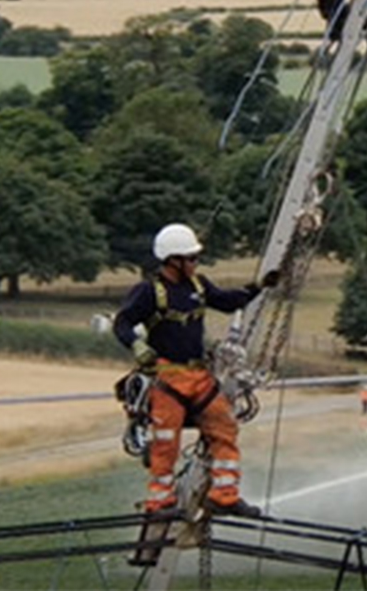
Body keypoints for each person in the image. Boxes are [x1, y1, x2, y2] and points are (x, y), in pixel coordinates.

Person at [113, 222, 274, 519]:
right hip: (167, 378)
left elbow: (227, 302)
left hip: (199, 377)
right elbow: (121, 323)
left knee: (225, 428)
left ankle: (224, 496)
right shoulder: (149, 291)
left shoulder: (198, 285)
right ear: (173, 260)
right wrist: (136, 345)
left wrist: (258, 287)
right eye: (191, 258)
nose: (195, 263)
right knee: (165, 443)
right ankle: (159, 503)